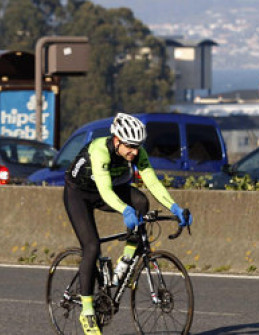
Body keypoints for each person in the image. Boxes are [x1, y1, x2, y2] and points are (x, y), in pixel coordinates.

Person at [63, 113, 193, 335]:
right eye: (130, 147)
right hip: (80, 194)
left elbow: (151, 180)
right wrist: (124, 209)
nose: (134, 152)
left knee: (141, 201)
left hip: (112, 189)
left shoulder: (137, 153)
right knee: (92, 247)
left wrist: (175, 207)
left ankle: (126, 260)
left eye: (137, 146)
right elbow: (104, 191)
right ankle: (87, 313)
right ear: (117, 140)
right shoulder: (99, 150)